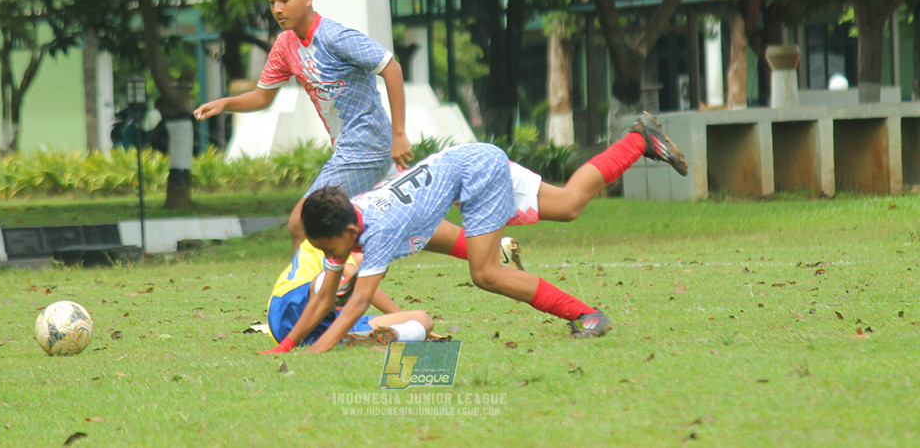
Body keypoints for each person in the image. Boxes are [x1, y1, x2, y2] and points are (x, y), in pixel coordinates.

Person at [262, 112, 688, 354]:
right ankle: (639, 140)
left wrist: (315, 354)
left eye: (327, 248)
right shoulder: (345, 223)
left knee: (485, 274)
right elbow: (323, 295)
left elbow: (356, 304)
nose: (325, 254)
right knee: (570, 205)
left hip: (475, 173)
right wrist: (286, 347)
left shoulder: (376, 230)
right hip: (466, 163)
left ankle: (585, 314)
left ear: (350, 228)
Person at [193, 0, 414, 252]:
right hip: (349, 148)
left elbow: (391, 67)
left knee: (301, 222)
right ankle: (344, 293)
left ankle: (306, 296)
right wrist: (225, 103)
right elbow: (262, 97)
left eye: (285, 0)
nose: (277, 9)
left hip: (366, 145)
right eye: (272, 2)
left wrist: (399, 134)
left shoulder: (335, 37)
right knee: (392, 226)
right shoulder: (285, 46)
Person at [265, 239, 433, 349]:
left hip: (327, 324)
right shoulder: (331, 238)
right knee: (328, 279)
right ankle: (335, 297)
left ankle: (359, 340)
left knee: (422, 320)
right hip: (288, 309)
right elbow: (357, 279)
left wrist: (417, 326)